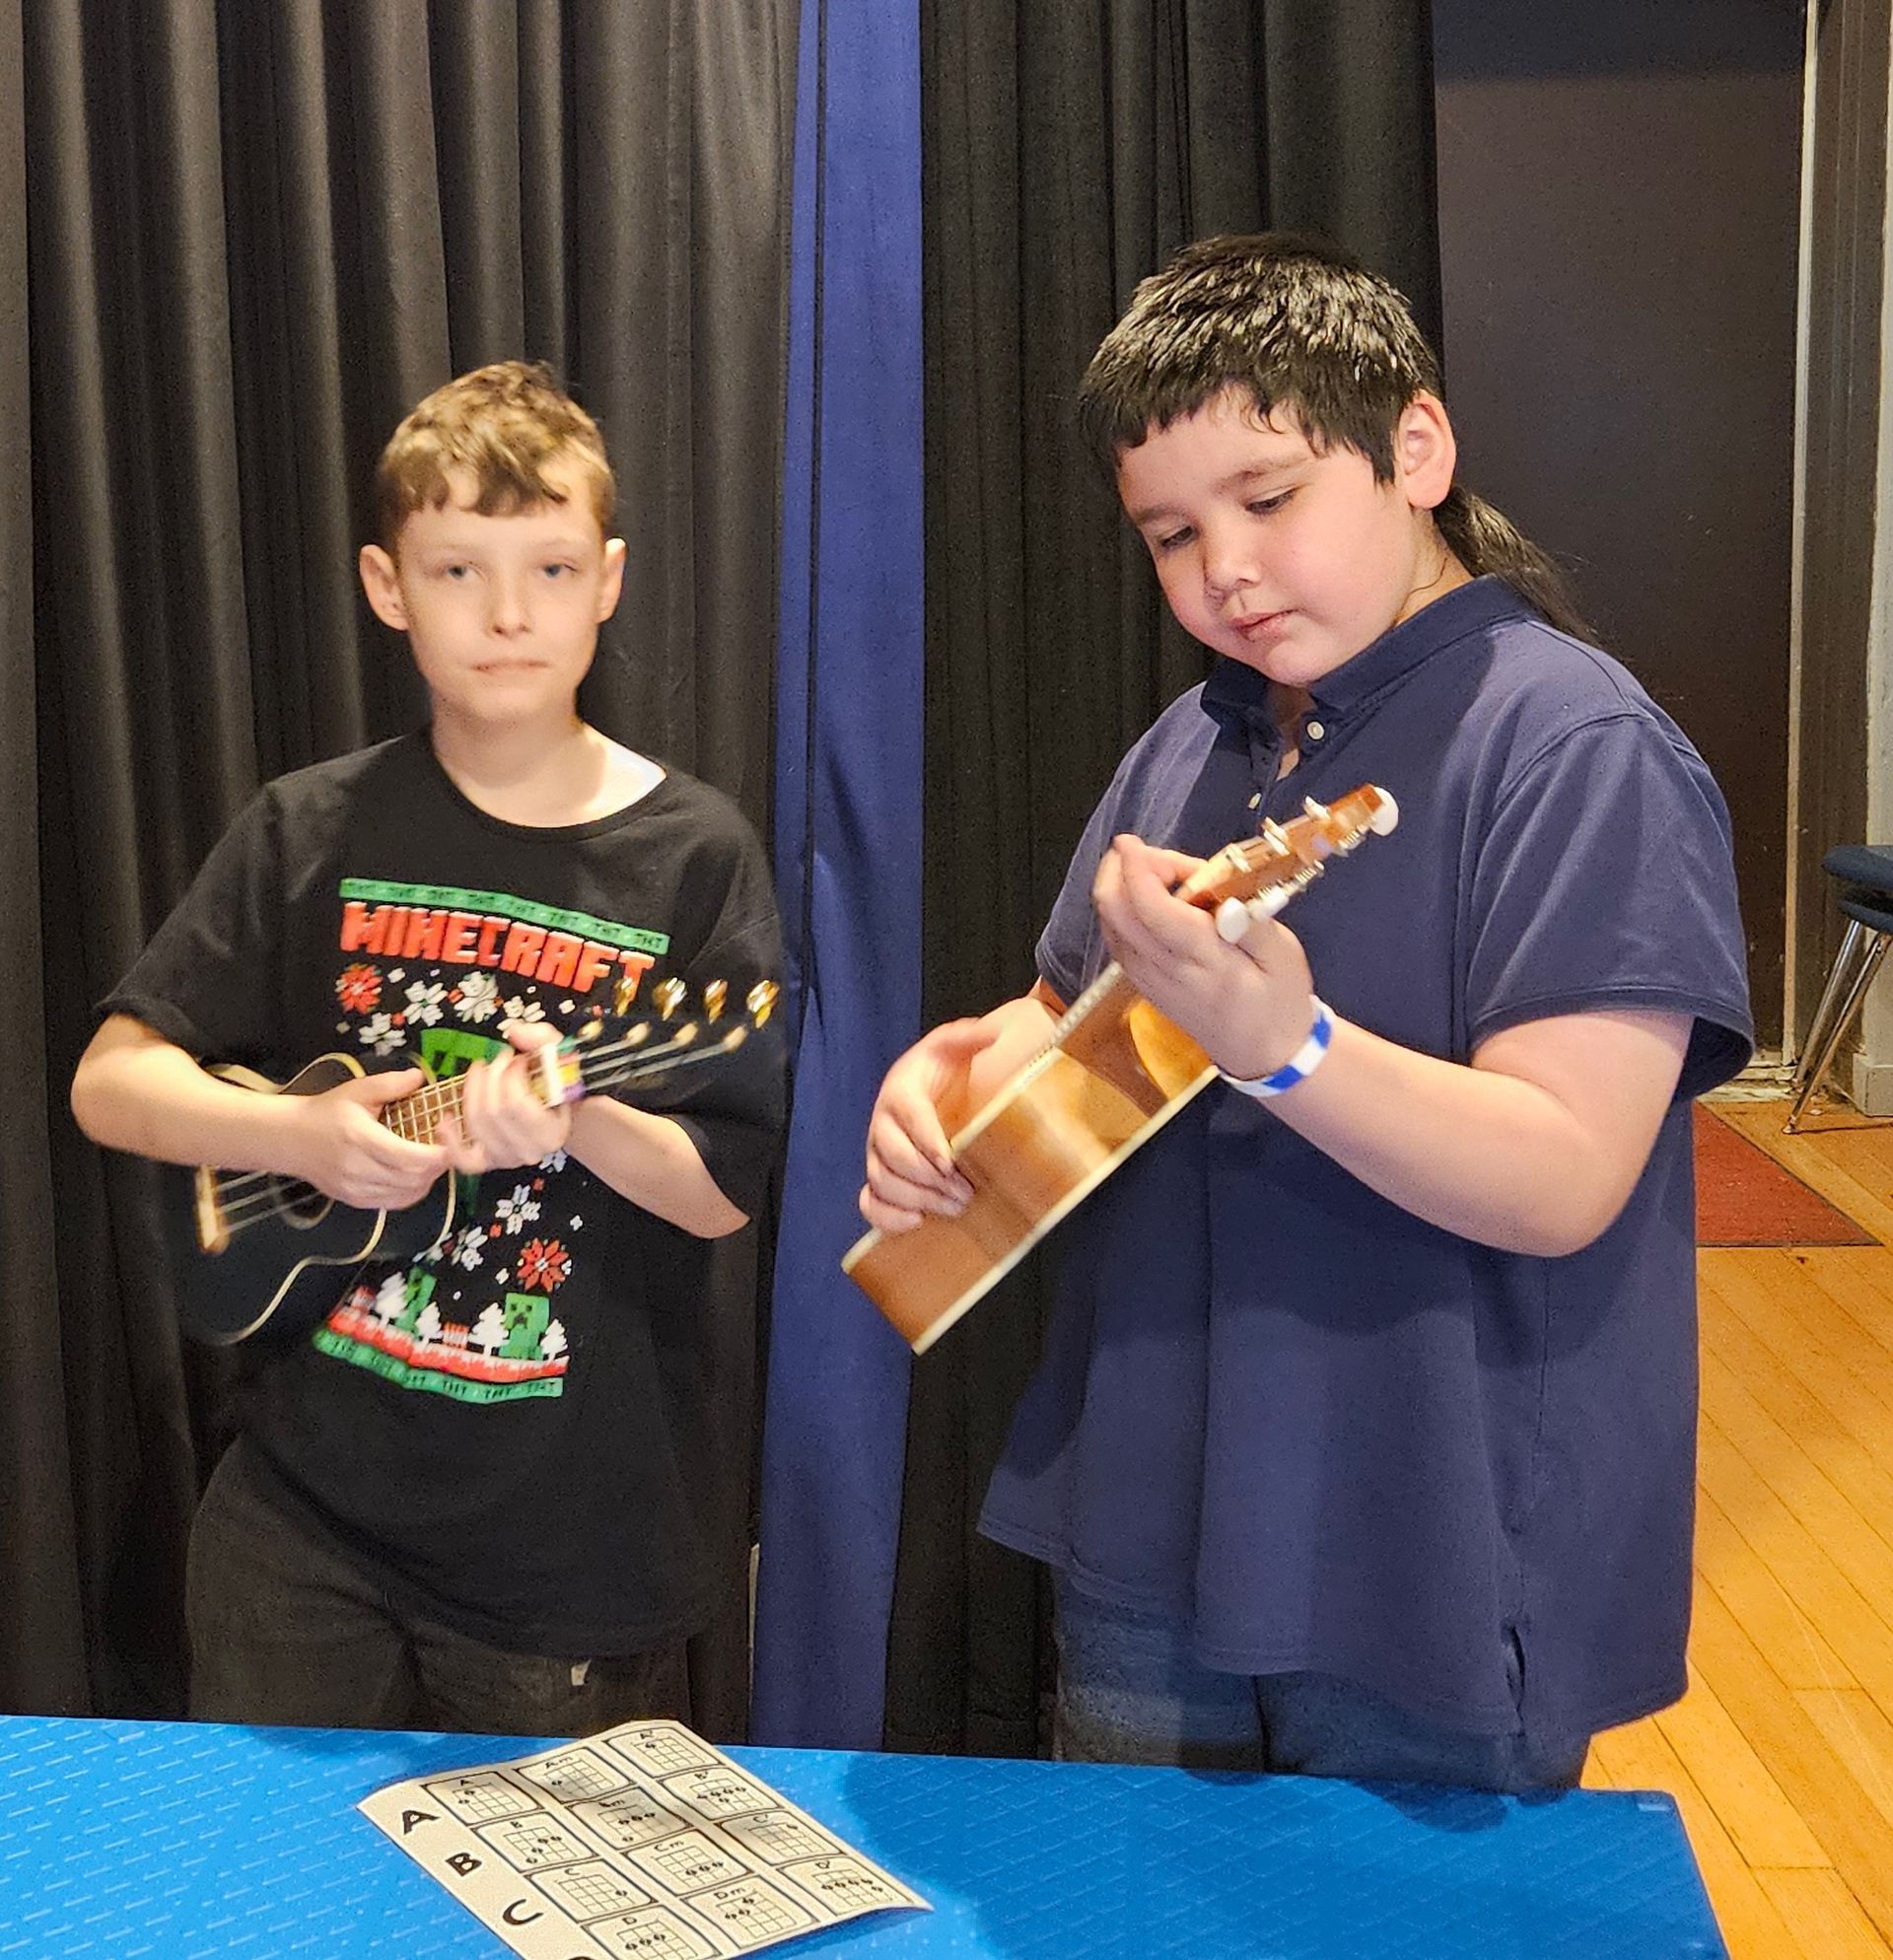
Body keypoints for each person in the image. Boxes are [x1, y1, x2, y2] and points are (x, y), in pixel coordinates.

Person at [860, 235, 1752, 1789]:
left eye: (1269, 499)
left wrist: (1289, 1049)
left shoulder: (1576, 746)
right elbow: (1066, 1031)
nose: (1227, 570)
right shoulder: (1188, 746)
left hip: (1427, 1551)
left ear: (1416, 447)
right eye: (1171, 535)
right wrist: (946, 1094)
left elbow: (1563, 1174)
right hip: (1151, 1509)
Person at [71, 361, 784, 1735]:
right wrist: (297, 1135)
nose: (510, 614)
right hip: (296, 1524)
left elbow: (722, 1189)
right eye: (459, 570)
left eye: (553, 569)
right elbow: (112, 1081)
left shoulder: (696, 858)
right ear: (387, 585)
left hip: (565, 1557)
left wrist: (573, 1120)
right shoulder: (309, 827)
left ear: (611, 579)